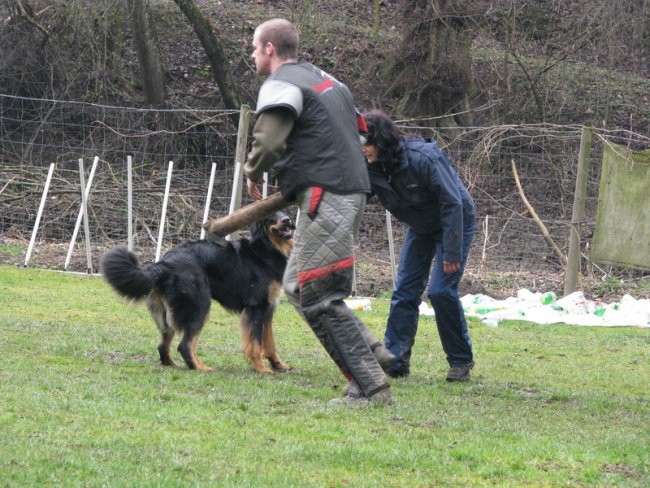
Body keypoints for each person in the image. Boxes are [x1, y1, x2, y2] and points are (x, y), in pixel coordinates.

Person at [243, 18, 394, 403]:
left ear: (270, 49)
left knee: (317, 295)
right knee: (296, 286)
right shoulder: (328, 81)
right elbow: (361, 132)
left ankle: (368, 384)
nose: (252, 54)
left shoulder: (281, 84)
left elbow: (269, 141)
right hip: (348, 189)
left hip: (326, 195)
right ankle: (373, 353)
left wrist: (253, 171)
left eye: (254, 47)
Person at [361, 110, 476, 382]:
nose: (362, 149)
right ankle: (395, 361)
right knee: (405, 290)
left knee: (440, 291)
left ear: (381, 141)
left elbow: (452, 203)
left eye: (365, 142)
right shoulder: (371, 165)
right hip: (421, 226)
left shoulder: (424, 158)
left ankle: (460, 361)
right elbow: (353, 194)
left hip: (454, 222)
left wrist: (451, 250)